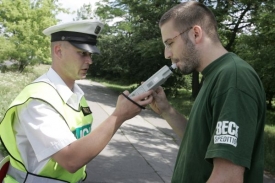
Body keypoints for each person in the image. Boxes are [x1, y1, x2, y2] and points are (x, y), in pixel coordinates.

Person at [0, 19, 153, 183]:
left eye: (90, 54)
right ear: (58, 51)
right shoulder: (38, 100)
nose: (90, 61)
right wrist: (119, 115)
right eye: (82, 53)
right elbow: (70, 160)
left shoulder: (75, 95)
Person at [149, 1, 266, 183]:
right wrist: (166, 110)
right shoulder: (215, 75)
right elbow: (202, 142)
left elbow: (228, 178)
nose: (167, 54)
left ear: (196, 33)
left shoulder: (233, 78)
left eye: (170, 43)